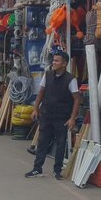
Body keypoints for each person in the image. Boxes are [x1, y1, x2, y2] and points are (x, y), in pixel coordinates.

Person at [26, 50, 81, 180]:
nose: (53, 63)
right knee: (42, 141)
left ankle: (57, 171)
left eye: (57, 61)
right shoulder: (48, 74)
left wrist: (72, 118)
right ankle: (37, 168)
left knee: (61, 143)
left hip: (62, 117)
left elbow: (77, 99)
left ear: (64, 63)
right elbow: (41, 92)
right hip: (46, 114)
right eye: (53, 60)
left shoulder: (70, 79)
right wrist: (35, 109)